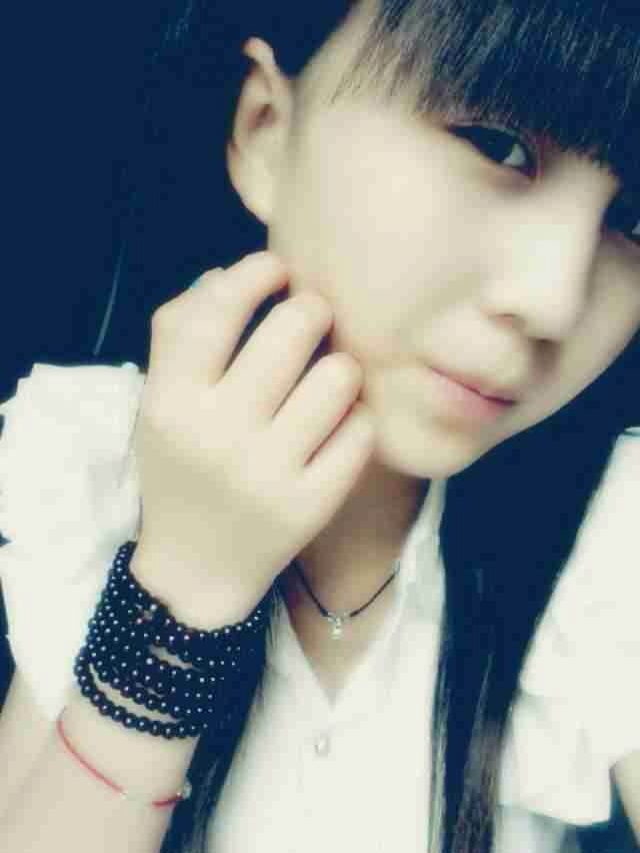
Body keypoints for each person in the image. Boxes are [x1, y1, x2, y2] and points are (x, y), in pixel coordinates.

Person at [1, 1, 640, 852]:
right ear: (266, 128)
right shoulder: (98, 470)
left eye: (634, 220)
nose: (554, 300)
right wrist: (182, 590)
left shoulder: (609, 535)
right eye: (497, 145)